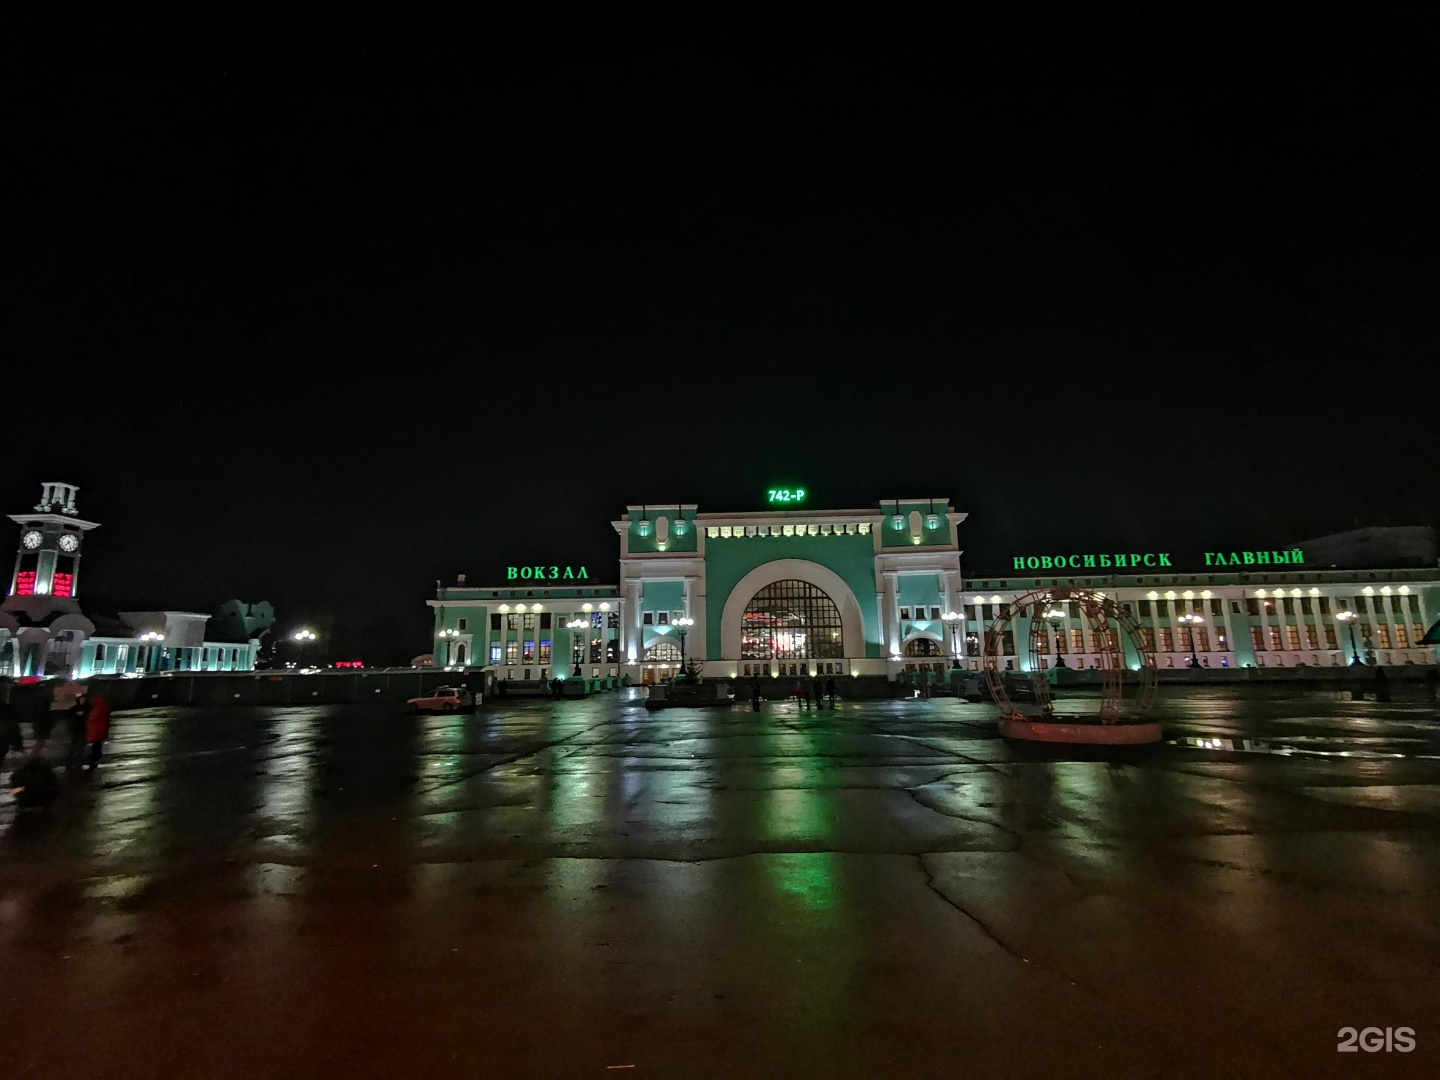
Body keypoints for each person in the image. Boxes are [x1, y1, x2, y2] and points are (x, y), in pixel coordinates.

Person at [85, 694, 112, 770]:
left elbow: (92, 717)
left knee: (95, 744)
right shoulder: (105, 707)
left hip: (96, 730)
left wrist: (87, 721)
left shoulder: (98, 708)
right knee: (97, 743)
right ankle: (97, 755)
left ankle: (95, 757)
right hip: (101, 729)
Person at [67, 690, 90, 765]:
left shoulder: (87, 708)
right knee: (74, 744)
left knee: (81, 744)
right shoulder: (73, 709)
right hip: (75, 729)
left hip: (83, 729)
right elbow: (70, 718)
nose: (82, 700)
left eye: (84, 699)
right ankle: (70, 759)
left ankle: (79, 759)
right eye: (81, 699)